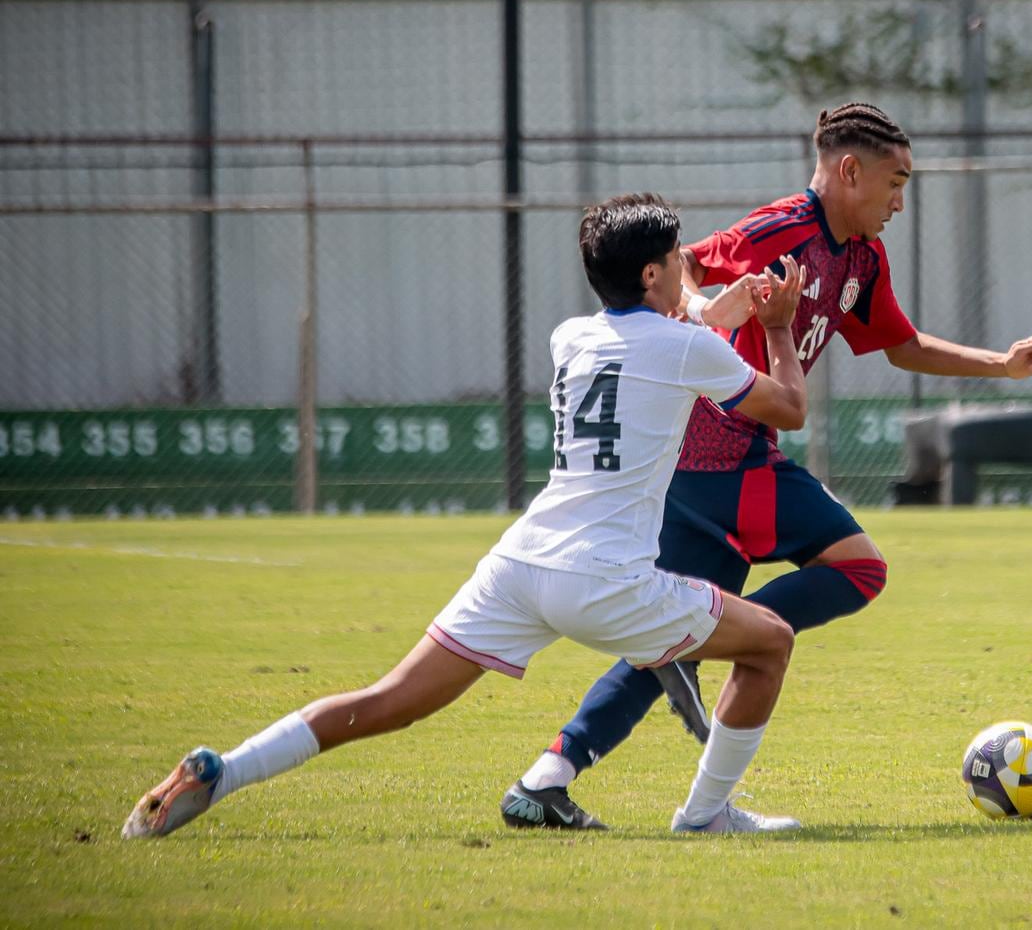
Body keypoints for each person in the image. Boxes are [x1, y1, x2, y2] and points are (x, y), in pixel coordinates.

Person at [122, 193, 814, 838]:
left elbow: (658, 332)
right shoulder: (688, 346)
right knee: (771, 642)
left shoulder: (571, 336)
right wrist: (777, 327)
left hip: (522, 562)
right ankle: (705, 815)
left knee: (389, 700)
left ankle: (222, 770)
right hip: (607, 578)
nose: (686, 273)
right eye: (675, 262)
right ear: (652, 272)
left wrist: (704, 310)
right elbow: (788, 409)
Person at [508, 103, 1032, 829]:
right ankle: (712, 746)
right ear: (849, 171)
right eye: (896, 182)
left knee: (675, 633)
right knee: (860, 569)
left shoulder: (862, 258)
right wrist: (708, 308)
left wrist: (1002, 364)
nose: (900, 202)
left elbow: (899, 343)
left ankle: (547, 777)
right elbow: (685, 267)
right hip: (724, 452)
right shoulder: (781, 228)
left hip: (716, 466)